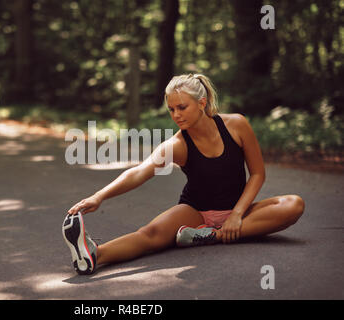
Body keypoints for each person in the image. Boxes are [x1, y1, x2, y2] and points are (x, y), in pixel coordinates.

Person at [62, 73, 305, 275]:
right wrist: (99, 196)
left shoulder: (237, 125)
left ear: (202, 103)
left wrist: (237, 214)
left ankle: (213, 236)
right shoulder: (177, 145)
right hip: (195, 212)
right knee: (150, 234)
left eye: (182, 107)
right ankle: (93, 254)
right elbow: (139, 172)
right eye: (171, 109)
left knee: (293, 205)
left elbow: (257, 174)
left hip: (240, 210)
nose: (176, 115)